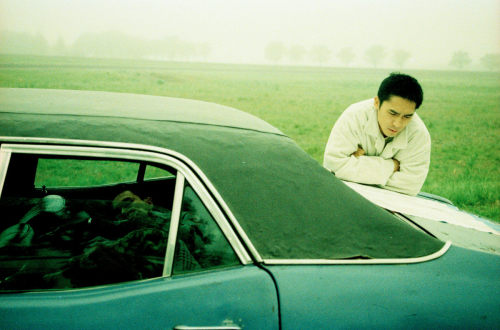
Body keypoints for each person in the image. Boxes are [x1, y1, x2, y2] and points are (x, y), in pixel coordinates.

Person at [323, 73, 430, 196]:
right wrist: (392, 166)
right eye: (392, 113)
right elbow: (333, 167)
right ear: (377, 102)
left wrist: (354, 167)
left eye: (407, 116)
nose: (397, 123)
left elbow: (410, 187)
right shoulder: (354, 116)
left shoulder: (419, 134)